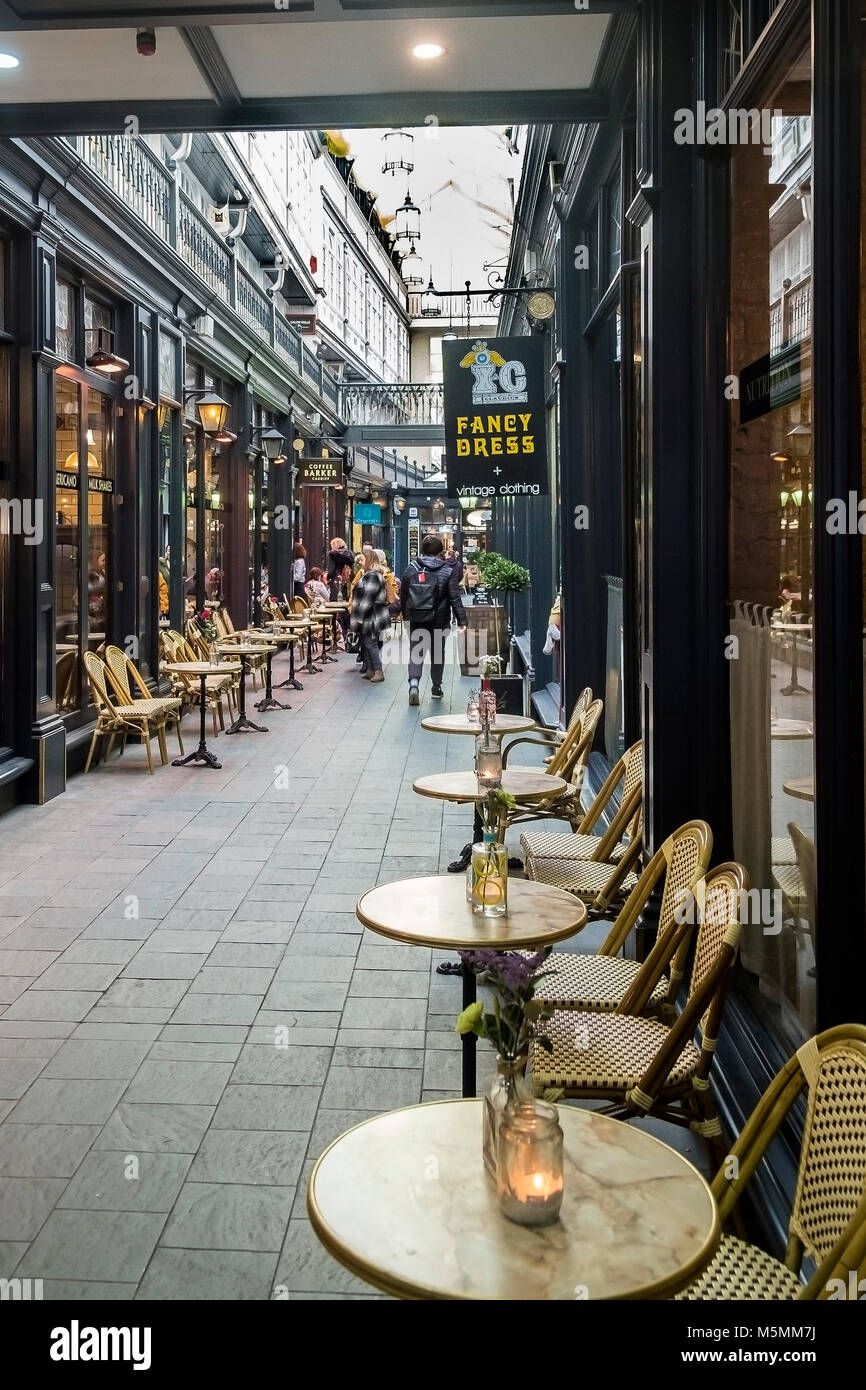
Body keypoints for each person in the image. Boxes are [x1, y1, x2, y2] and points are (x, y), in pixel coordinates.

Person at [394, 533, 466, 706]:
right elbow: (455, 598)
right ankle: (436, 687)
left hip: (416, 618)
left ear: (422, 550)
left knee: (416, 653)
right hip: (439, 621)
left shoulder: (411, 568)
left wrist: (405, 616)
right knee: (437, 654)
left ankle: (413, 684)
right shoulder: (447, 571)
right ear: (441, 551)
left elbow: (403, 596)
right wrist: (462, 620)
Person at [350, 551, 389, 683]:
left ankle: (378, 671)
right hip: (371, 615)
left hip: (371, 616)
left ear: (369, 560)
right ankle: (371, 670)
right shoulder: (371, 574)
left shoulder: (372, 576)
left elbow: (367, 598)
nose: (359, 562)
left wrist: (358, 617)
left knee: (371, 643)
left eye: (362, 560)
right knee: (367, 643)